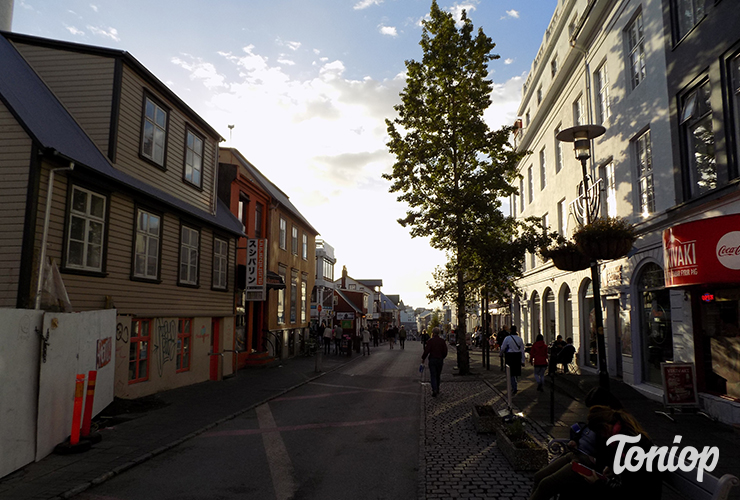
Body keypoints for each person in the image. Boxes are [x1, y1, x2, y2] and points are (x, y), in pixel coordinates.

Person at [529, 405, 660, 500]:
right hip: (598, 469)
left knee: (553, 485)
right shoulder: (621, 436)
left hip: (631, 491)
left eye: (600, 434)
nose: (601, 438)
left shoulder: (629, 444)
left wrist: (598, 482)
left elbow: (631, 488)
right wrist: (611, 468)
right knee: (544, 479)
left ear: (605, 428)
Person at [421, 327, 448, 397]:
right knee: (438, 375)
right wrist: (442, 357)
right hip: (439, 360)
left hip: (432, 359)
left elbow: (426, 351)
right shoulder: (442, 341)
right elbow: (445, 351)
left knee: (433, 375)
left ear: (433, 333)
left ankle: (434, 389)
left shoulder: (430, 341)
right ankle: (437, 388)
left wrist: (423, 358)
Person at [500, 325, 525, 394]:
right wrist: (523, 360)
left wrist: (500, 354)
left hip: (510, 356)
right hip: (517, 356)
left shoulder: (507, 338)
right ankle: (515, 384)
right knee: (516, 372)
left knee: (510, 373)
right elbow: (522, 350)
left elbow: (503, 348)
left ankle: (514, 386)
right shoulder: (520, 339)